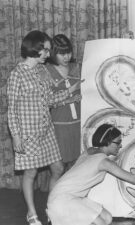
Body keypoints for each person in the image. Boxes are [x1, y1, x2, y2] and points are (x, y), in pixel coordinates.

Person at [43, 124, 135, 225]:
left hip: (67, 197)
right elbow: (133, 178)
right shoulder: (104, 162)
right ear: (107, 142)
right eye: (117, 142)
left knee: (107, 218)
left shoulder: (90, 151)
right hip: (63, 200)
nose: (120, 145)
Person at [7, 30, 81, 225]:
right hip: (27, 133)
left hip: (46, 130)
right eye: (46, 50)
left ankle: (51, 208)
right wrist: (16, 135)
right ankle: (31, 213)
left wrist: (70, 94)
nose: (49, 54)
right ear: (36, 50)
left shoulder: (42, 72)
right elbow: (11, 108)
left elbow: (49, 100)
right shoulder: (17, 74)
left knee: (57, 168)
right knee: (30, 173)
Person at [46, 34, 81, 170]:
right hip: (58, 127)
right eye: (61, 53)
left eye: (68, 52)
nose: (66, 57)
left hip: (78, 125)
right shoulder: (46, 71)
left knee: (76, 168)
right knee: (58, 169)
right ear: (54, 53)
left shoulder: (77, 67)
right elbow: (45, 102)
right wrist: (67, 99)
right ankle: (55, 192)